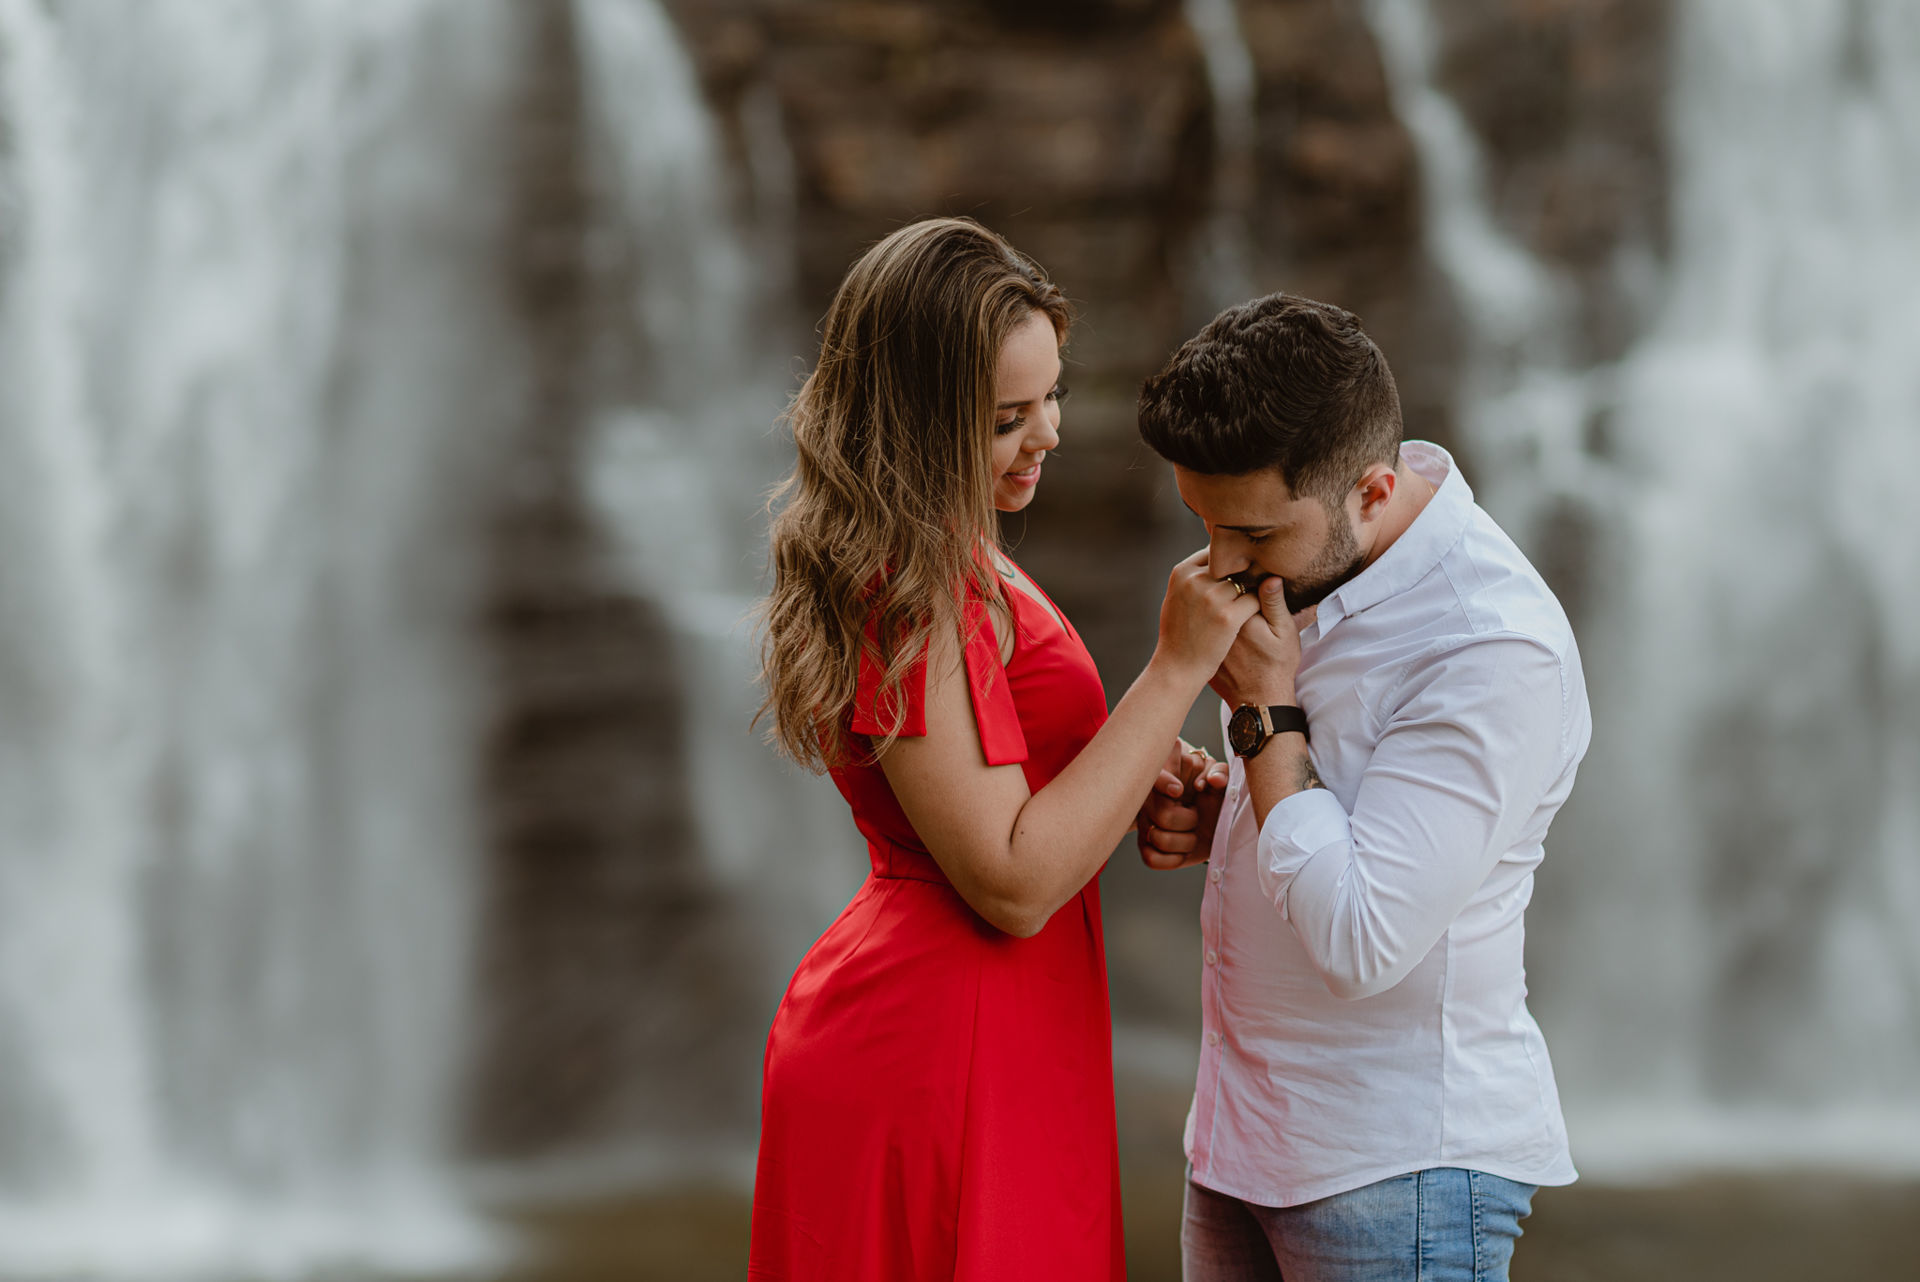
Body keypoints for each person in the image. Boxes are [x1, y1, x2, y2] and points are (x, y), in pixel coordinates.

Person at [750, 216, 1259, 1281]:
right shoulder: (909, 592)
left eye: (1054, 398)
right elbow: (1015, 883)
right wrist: (1171, 674)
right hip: (939, 1037)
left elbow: (1015, 781)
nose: (1051, 436)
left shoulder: (963, 552)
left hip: (1001, 1021)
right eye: (1006, 419)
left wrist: (1135, 770)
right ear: (921, 424)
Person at [1134, 293, 1591, 1282]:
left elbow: (1363, 937)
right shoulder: (1313, 565)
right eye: (1202, 523)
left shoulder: (1487, 643)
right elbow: (1356, 820)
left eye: (1251, 533)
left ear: (1373, 490)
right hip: (1238, 1145)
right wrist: (1238, 815)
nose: (1217, 565)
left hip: (1397, 1171)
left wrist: (1266, 717)